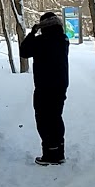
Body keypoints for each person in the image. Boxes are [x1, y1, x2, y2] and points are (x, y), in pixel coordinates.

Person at [19, 10, 69, 164]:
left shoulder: (42, 41)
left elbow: (24, 51)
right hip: (60, 85)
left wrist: (32, 32)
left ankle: (50, 154)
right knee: (56, 118)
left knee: (44, 120)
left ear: (43, 25)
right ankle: (59, 151)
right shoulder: (63, 39)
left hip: (44, 87)